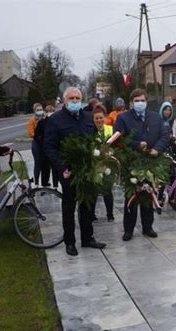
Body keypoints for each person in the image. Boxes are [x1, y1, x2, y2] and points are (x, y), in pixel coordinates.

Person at [44, 87, 106, 256]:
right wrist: (61, 168)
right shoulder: (55, 120)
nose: (74, 101)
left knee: (87, 204)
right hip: (67, 171)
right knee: (69, 206)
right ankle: (70, 241)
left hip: (86, 169)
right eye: (71, 98)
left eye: (77, 98)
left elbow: (93, 141)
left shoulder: (87, 118)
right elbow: (49, 147)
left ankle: (87, 238)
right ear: (64, 101)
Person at [114, 88, 169, 241]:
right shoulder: (123, 118)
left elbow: (164, 135)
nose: (140, 103)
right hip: (132, 163)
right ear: (131, 103)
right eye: (136, 101)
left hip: (151, 162)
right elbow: (118, 139)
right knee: (132, 196)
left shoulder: (155, 118)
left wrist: (157, 149)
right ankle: (129, 229)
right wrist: (137, 144)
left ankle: (148, 227)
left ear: (146, 102)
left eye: (142, 100)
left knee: (148, 194)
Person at [92, 104, 115, 222]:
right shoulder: (90, 130)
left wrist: (111, 152)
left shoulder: (110, 129)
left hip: (107, 164)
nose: (99, 120)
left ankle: (110, 214)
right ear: (93, 119)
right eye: (96, 118)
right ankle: (91, 214)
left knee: (107, 190)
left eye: (101, 117)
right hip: (95, 165)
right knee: (94, 190)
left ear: (105, 118)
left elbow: (116, 145)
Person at [34, 104, 58, 188]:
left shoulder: (57, 122)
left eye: (52, 111)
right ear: (46, 112)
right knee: (45, 167)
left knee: (54, 167)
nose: (51, 113)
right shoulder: (41, 122)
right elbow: (36, 136)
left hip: (54, 147)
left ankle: (55, 184)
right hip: (44, 148)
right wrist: (42, 143)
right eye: (49, 111)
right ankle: (45, 183)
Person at [28, 103, 45, 186]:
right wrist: (38, 135)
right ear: (34, 111)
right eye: (38, 110)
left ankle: (45, 182)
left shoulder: (45, 118)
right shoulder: (32, 120)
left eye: (41, 109)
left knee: (45, 164)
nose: (39, 111)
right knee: (37, 163)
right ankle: (37, 182)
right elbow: (31, 133)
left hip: (44, 143)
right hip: (36, 143)